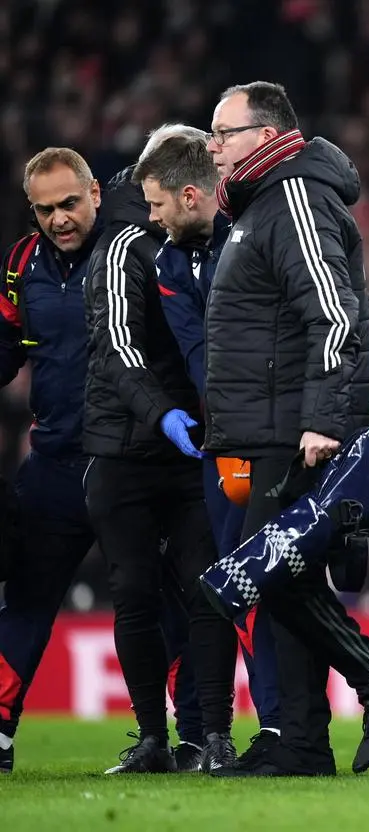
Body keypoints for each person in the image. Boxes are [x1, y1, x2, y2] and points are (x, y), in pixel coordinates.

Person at [203, 81, 369, 776]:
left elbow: (335, 313)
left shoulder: (292, 197)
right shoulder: (266, 202)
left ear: (264, 136)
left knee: (260, 575)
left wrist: (323, 419)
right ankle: (305, 738)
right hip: (275, 423)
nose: (212, 147)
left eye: (223, 132)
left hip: (297, 426)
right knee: (280, 576)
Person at [133, 124, 283, 770]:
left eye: (156, 204)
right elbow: (199, 351)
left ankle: (288, 724)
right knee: (230, 586)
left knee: (272, 579)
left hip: (274, 431)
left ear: (190, 194)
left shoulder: (248, 235)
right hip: (224, 442)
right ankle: (234, 732)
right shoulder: (168, 262)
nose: (149, 217)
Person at [83, 157, 239, 774]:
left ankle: (214, 737)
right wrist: (163, 414)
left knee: (210, 590)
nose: (150, 213)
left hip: (196, 448)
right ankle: (152, 738)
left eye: (157, 201)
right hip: (127, 448)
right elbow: (119, 345)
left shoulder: (225, 241)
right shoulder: (127, 250)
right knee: (133, 595)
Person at [0, 148, 104, 774]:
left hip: (131, 464)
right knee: (27, 600)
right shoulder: (20, 265)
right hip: (56, 462)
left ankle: (196, 734)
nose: (60, 219)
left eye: (70, 203)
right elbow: (4, 347)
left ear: (94, 191)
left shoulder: (132, 250)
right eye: (45, 210)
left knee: (166, 601)